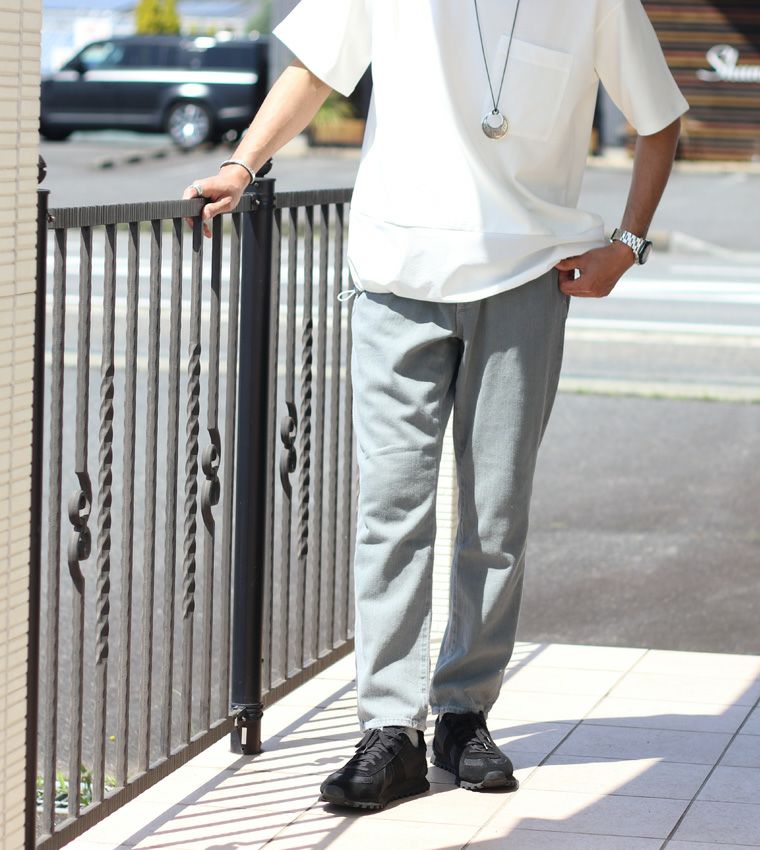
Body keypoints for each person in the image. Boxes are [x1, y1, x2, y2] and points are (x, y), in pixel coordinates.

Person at [183, 0, 688, 811]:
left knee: (496, 513)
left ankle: (463, 715)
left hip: (527, 278)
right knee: (391, 508)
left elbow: (659, 118)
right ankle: (391, 729)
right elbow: (314, 69)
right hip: (395, 275)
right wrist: (242, 167)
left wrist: (626, 245)